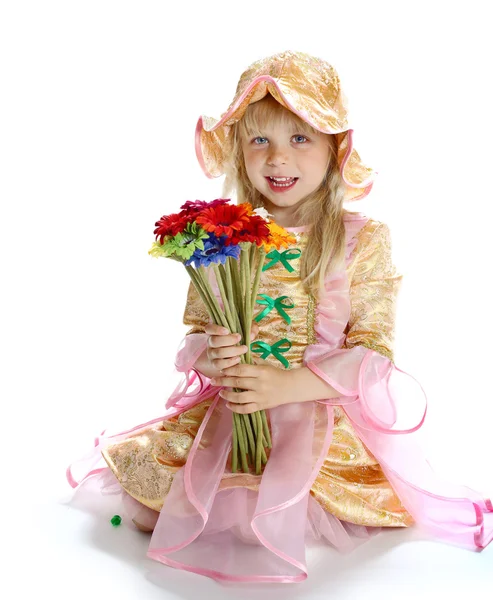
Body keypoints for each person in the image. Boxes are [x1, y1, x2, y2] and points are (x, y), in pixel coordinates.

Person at [66, 50, 493, 583]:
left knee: (272, 501)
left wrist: (288, 385)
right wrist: (217, 356)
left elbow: (373, 350)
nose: (277, 159)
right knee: (160, 492)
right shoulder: (223, 235)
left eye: (299, 139)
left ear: (335, 149)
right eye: (259, 140)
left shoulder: (363, 240)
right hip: (237, 406)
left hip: (316, 409)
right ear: (240, 150)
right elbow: (198, 331)